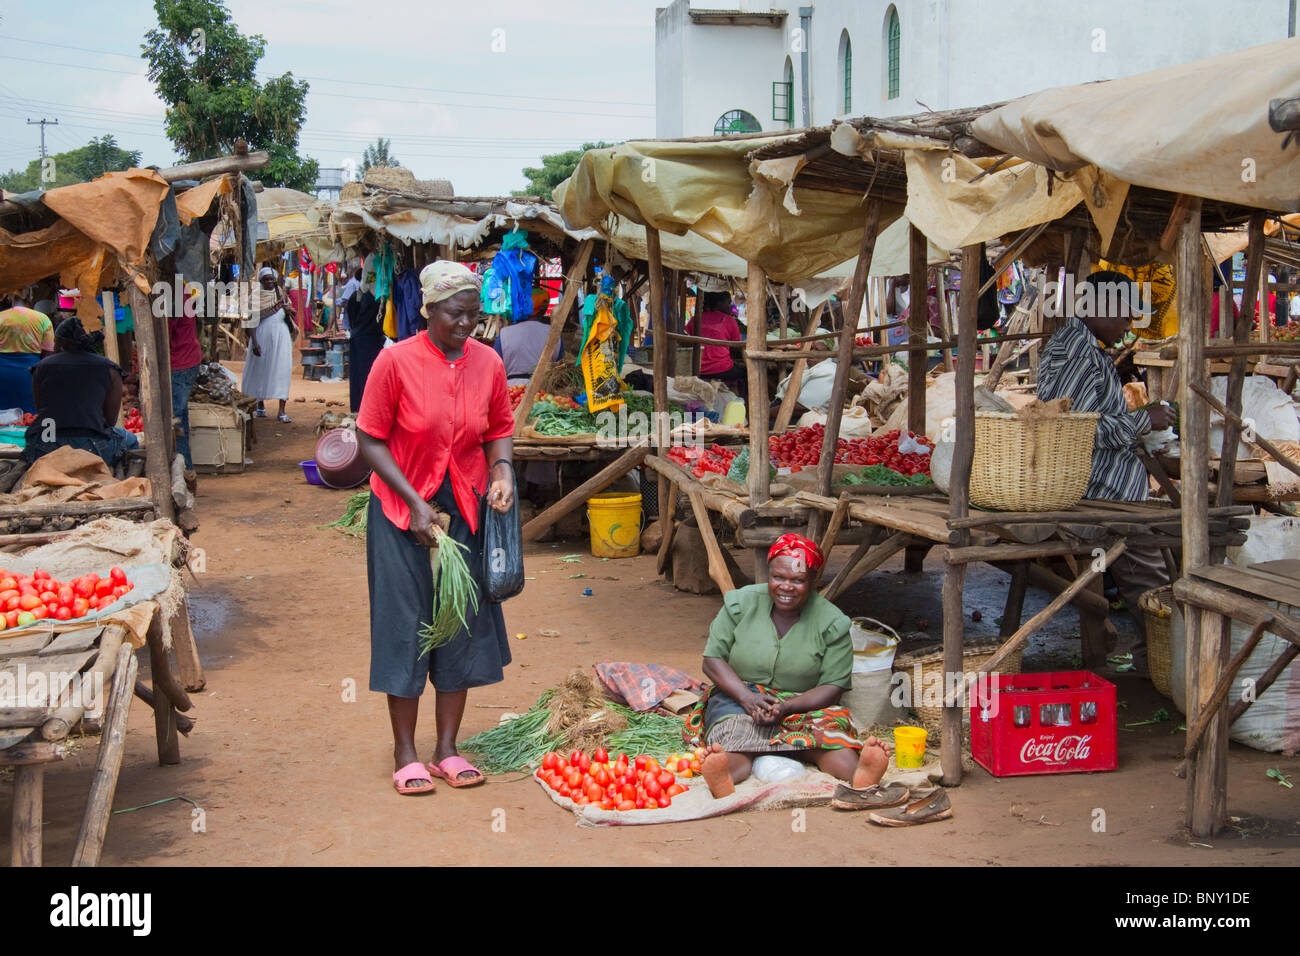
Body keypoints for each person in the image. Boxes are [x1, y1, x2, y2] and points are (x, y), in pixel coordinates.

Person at [355, 260, 516, 795]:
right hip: (403, 509)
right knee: (406, 624)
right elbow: (370, 438)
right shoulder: (395, 362)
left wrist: (502, 471)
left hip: (465, 507)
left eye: (474, 314)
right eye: (455, 314)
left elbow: (498, 428)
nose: (467, 324)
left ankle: (447, 749)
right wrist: (413, 502)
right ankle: (406, 752)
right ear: (427, 310)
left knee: (460, 622)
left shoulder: (488, 363)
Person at [689, 534, 902, 808]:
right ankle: (724, 774)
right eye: (778, 577)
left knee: (828, 736)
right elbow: (712, 661)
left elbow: (832, 687)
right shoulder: (739, 604)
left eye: (797, 580)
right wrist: (747, 698)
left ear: (814, 582)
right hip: (739, 695)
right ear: (769, 575)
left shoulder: (832, 622)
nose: (785, 587)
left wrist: (788, 707)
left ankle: (859, 774)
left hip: (803, 702)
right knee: (735, 735)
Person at [1037, 270, 1176, 674]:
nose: (1128, 325)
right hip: (1104, 492)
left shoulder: (1081, 345)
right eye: (1124, 315)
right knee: (1150, 583)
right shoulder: (1078, 351)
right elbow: (1075, 426)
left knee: (1151, 573)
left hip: (1108, 484)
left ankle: (1157, 658)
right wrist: (1141, 421)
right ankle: (1165, 664)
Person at [23, 317, 138, 467]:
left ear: (63, 342)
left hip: (47, 442)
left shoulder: (41, 367)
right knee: (131, 440)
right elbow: (110, 420)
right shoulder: (109, 369)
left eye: (56, 340)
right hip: (94, 446)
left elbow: (42, 410)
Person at [242, 266, 295, 422]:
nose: (270, 282)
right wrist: (255, 343)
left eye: (272, 279)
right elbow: (251, 321)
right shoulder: (256, 297)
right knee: (260, 370)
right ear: (261, 281)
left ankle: (282, 411)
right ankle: (260, 406)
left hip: (282, 336)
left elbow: (290, 313)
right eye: (266, 279)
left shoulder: (281, 294)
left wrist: (287, 309)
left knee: (282, 370)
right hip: (261, 337)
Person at [493, 287, 563, 385]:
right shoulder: (554, 333)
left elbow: (495, 368)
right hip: (545, 390)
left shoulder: (505, 334)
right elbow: (561, 366)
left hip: (513, 391)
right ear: (542, 310)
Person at [0, 295, 54, 413]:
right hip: (29, 373)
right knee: (28, 415)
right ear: (29, 299)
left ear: (10, 300)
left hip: (2, 372)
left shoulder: (1, 317)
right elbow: (49, 352)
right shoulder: (42, 319)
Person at [685, 290, 745, 393]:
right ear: (718, 303)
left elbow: (686, 342)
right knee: (745, 373)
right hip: (721, 370)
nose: (730, 306)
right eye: (728, 303)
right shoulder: (729, 320)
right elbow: (736, 347)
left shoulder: (694, 320)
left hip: (696, 368)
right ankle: (744, 404)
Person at [170, 288, 204, 473]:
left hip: (180, 362)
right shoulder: (181, 293)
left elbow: (165, 336)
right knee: (180, 416)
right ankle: (186, 467)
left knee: (175, 419)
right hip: (188, 358)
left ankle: (184, 469)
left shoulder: (173, 298)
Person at [346, 262, 383, 414]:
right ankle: (366, 410)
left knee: (358, 377)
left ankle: (358, 408)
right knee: (368, 376)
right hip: (369, 340)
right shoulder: (376, 298)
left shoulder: (357, 296)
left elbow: (351, 318)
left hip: (358, 337)